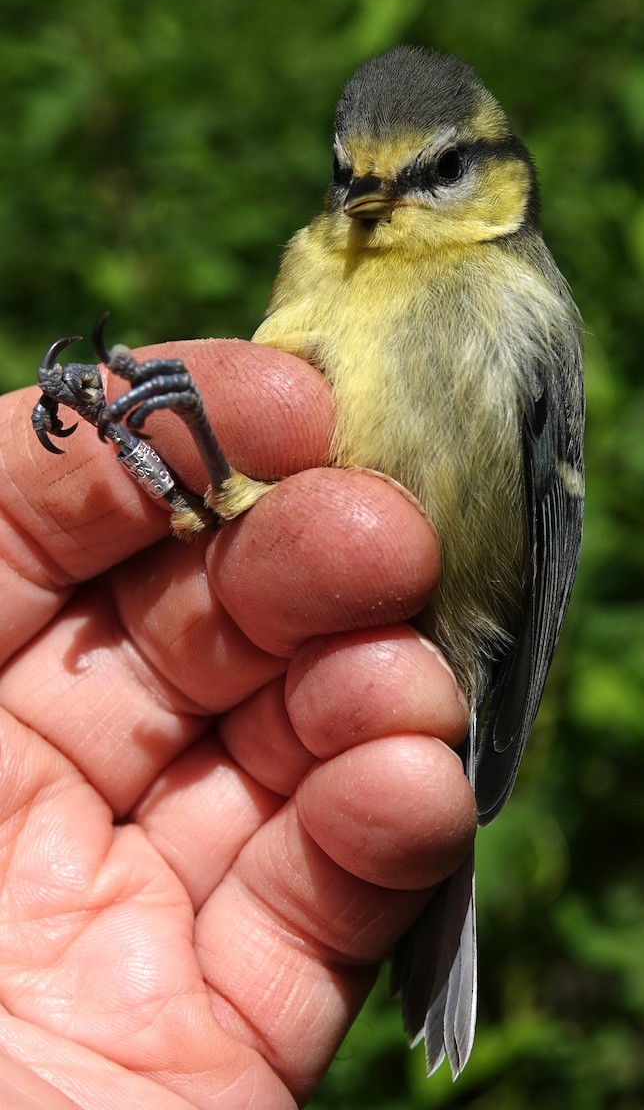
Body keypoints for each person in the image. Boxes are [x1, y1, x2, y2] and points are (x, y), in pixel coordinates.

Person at [0, 337, 476, 1109]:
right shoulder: (329, 252)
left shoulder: (509, 292)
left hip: (380, 604)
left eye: (435, 199)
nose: (374, 204)